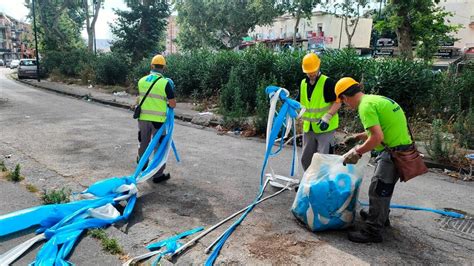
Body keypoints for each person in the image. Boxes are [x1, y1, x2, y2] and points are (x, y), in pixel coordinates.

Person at [335, 77, 413, 243]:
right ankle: (380, 217)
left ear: (345, 97)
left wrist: (358, 152)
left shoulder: (365, 107)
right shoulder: (374, 99)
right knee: (385, 188)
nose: (346, 105)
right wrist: (358, 136)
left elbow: (377, 137)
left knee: (378, 190)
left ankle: (373, 231)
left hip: (392, 152)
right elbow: (381, 128)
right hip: (401, 148)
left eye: (343, 102)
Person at [136, 54, 176, 183]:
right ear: (164, 68)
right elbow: (173, 104)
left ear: (151, 66)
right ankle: (157, 175)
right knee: (159, 147)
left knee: (143, 143)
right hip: (158, 121)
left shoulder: (141, 81)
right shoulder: (165, 83)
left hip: (142, 118)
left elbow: (140, 98)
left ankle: (142, 167)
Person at [298, 52, 341, 171]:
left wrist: (327, 116)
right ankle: (308, 183)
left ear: (318, 67)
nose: (311, 74)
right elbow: (300, 103)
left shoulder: (327, 83)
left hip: (325, 128)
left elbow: (338, 102)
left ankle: (322, 185)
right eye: (308, 71)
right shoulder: (303, 83)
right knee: (306, 159)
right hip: (309, 128)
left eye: (313, 70)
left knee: (323, 159)